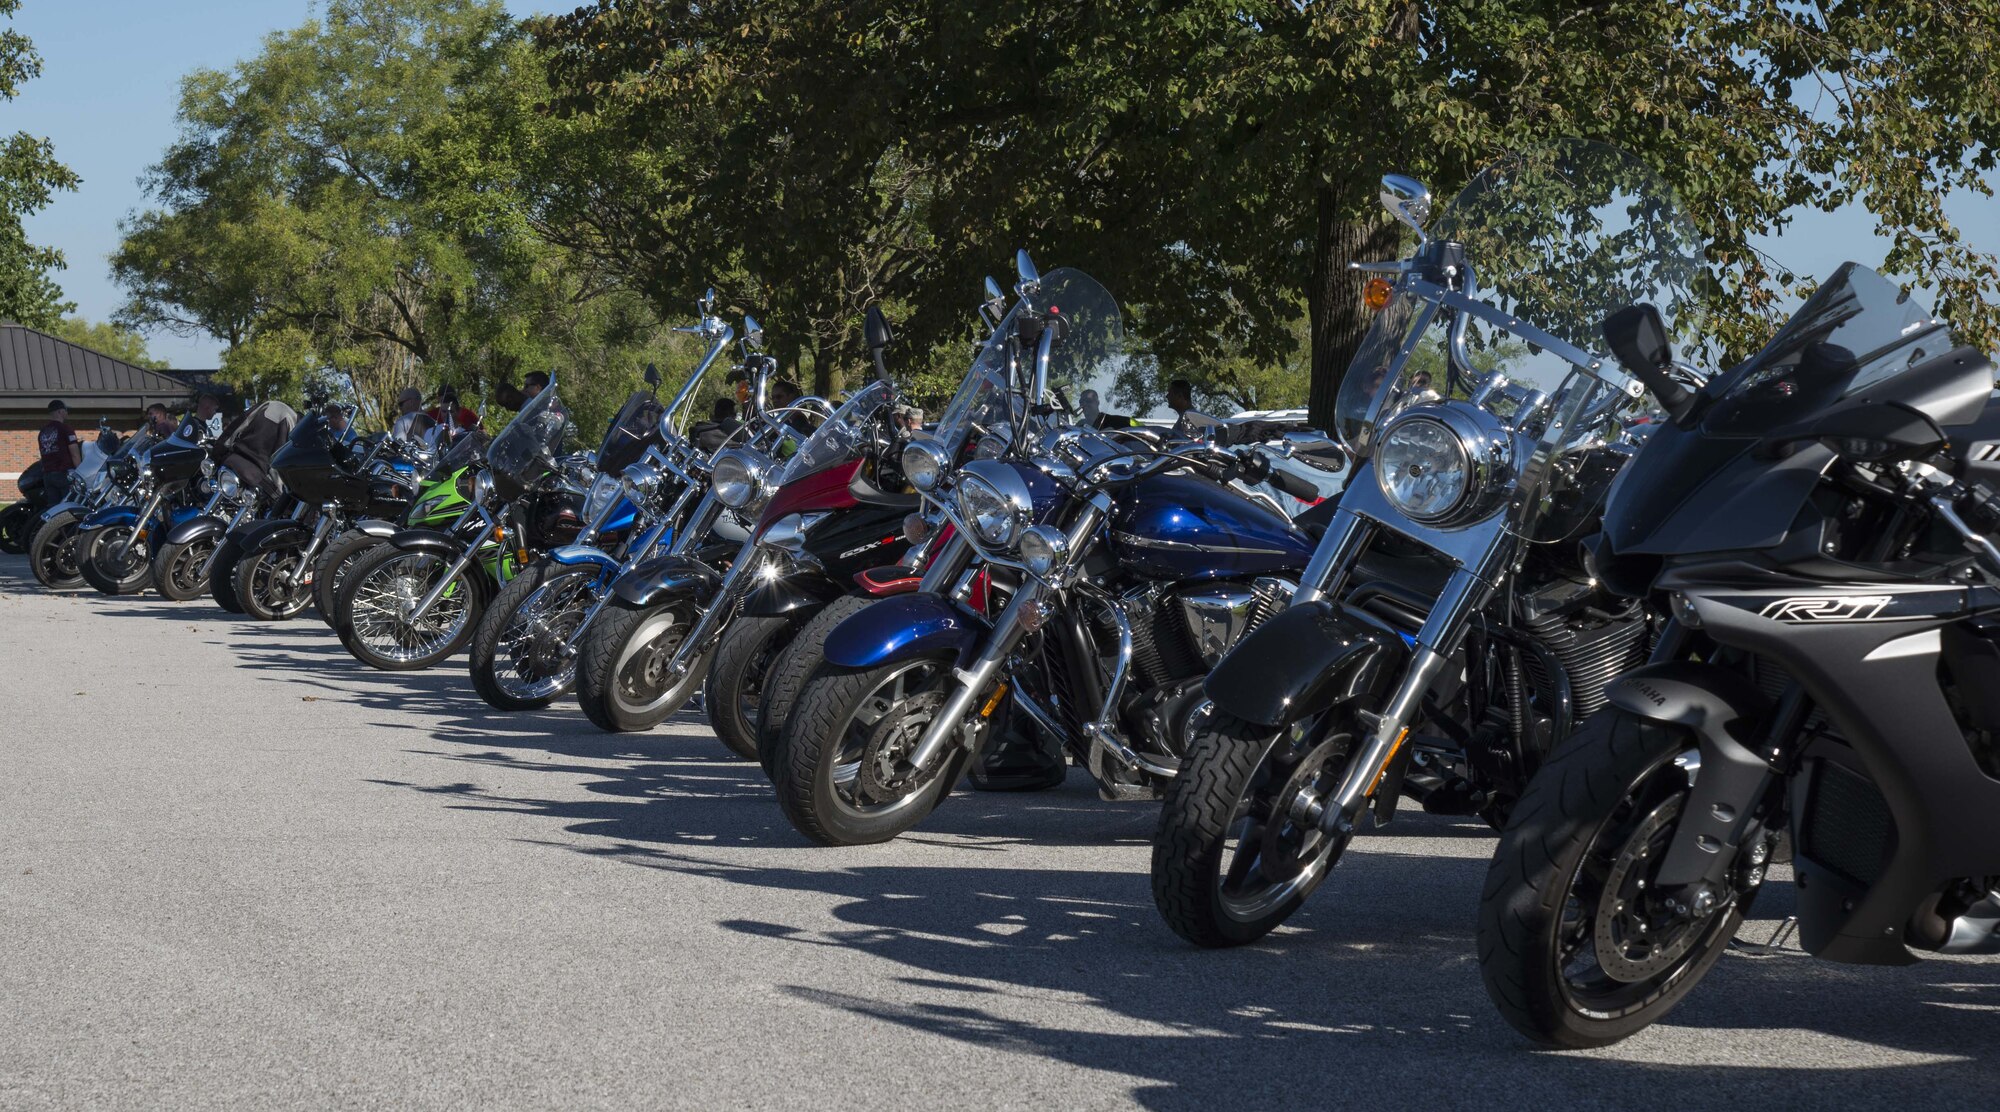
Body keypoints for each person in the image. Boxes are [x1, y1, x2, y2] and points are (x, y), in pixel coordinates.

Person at [37, 399, 81, 505]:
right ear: (60, 412)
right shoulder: (65, 429)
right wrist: (80, 472)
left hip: (48, 476)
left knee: (54, 509)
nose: (67, 413)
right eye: (65, 410)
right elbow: (74, 453)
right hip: (63, 474)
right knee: (70, 507)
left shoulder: (42, 432)